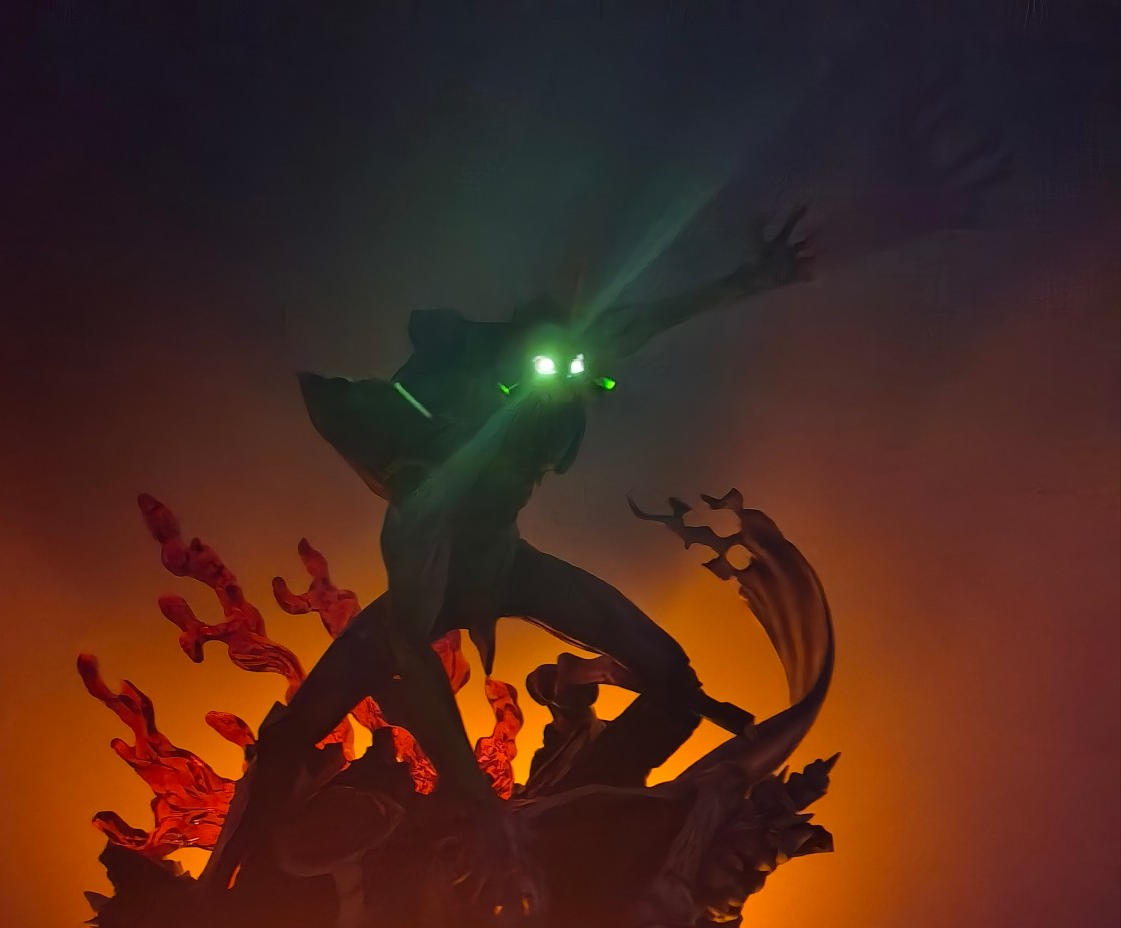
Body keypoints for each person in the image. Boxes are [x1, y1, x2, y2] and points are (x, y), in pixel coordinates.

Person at [205, 212, 811, 893]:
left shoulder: (547, 389)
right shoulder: (425, 498)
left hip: (511, 567)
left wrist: (751, 278)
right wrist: (480, 801)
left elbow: (631, 328)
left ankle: (582, 811)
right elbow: (416, 663)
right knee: (295, 732)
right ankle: (220, 893)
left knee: (673, 678)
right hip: (432, 591)